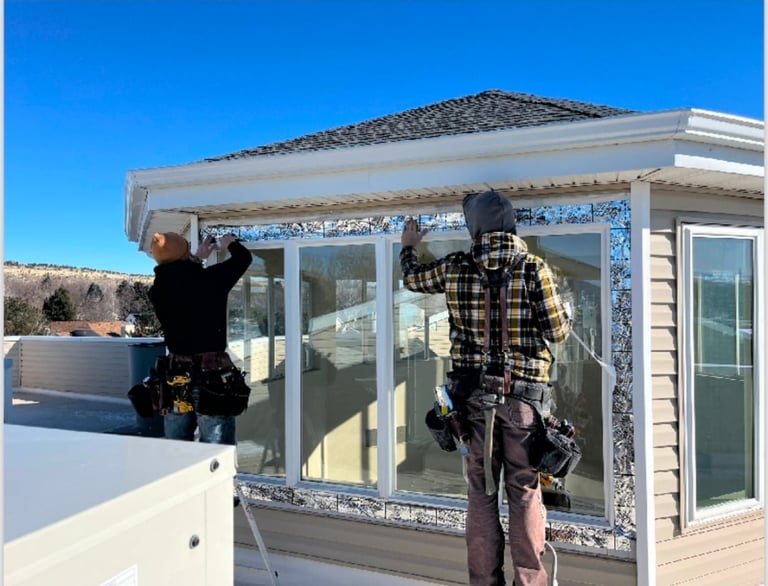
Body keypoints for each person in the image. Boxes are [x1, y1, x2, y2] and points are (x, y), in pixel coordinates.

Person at [400, 191, 573, 586]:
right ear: (510, 225)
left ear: (473, 228)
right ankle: (530, 582)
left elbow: (412, 279)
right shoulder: (533, 269)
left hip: (471, 401)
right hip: (524, 402)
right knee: (525, 490)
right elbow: (558, 331)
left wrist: (409, 248)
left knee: (481, 493)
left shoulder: (457, 267)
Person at [149, 231, 252, 445]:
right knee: (216, 450)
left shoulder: (158, 290)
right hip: (211, 376)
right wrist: (230, 243)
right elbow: (244, 259)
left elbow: (179, 278)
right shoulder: (208, 280)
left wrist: (196, 257)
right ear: (184, 254)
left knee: (176, 446)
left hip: (176, 377)